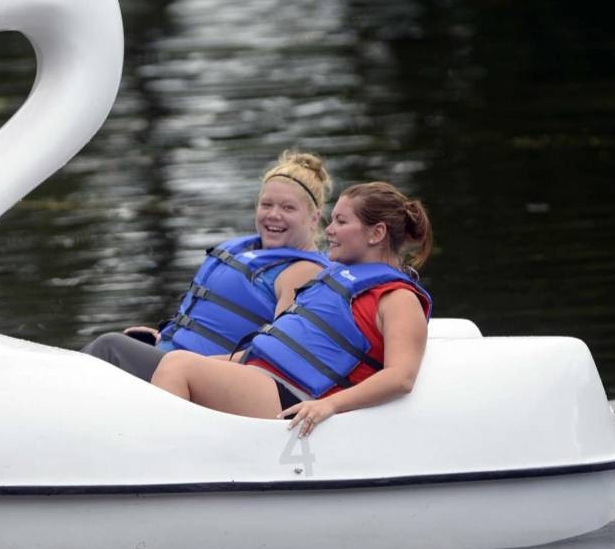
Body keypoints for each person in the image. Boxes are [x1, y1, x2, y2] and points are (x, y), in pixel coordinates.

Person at [149, 181, 433, 437]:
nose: (329, 229)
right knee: (171, 361)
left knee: (179, 367)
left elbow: (401, 377)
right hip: (262, 373)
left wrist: (330, 405)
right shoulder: (335, 277)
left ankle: (160, 463)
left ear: (376, 233)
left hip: (295, 396)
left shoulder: (398, 298)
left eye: (341, 221)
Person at [82, 151, 333, 380]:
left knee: (109, 347)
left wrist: (188, 365)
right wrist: (160, 338)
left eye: (288, 208)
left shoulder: (302, 272)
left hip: (204, 378)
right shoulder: (247, 250)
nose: (273, 214)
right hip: (174, 358)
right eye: (266, 204)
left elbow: (280, 353)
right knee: (108, 351)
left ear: (314, 218)